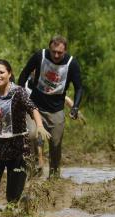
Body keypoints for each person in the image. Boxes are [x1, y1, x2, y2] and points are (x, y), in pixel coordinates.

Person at [0, 59, 51, 217]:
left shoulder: (19, 92)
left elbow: (32, 108)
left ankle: (21, 210)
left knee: (13, 196)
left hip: (18, 148)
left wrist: (40, 126)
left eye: (1, 72)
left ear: (9, 73)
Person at [18, 35, 84, 178]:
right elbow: (23, 75)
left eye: (59, 53)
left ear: (65, 51)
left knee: (55, 143)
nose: (55, 55)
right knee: (31, 135)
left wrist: (75, 107)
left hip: (56, 109)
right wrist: (21, 97)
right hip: (34, 105)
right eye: (53, 51)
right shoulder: (40, 56)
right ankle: (35, 168)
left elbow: (79, 88)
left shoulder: (72, 64)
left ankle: (54, 177)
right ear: (49, 48)